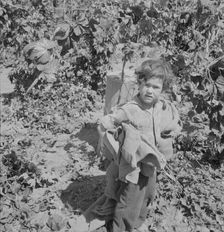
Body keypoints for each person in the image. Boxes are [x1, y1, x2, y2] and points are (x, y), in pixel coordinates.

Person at [73, 58, 182, 232]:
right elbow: (105, 123)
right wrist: (110, 147)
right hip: (132, 166)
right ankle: (121, 227)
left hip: (150, 162)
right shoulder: (130, 109)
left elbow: (172, 123)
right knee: (129, 199)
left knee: (147, 194)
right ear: (139, 83)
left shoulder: (160, 106)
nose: (150, 91)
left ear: (162, 90)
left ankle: (137, 222)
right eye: (147, 85)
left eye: (156, 87)